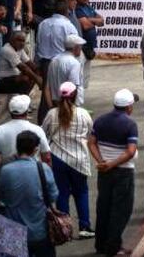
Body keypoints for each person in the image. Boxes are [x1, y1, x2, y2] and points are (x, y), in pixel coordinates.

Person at [41, 81, 94, 239]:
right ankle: (84, 227)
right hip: (79, 160)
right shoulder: (83, 114)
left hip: (58, 159)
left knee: (62, 194)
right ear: (75, 95)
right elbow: (91, 133)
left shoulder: (52, 114)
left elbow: (43, 133)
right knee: (81, 192)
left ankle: (65, 230)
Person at [89, 89, 139, 256]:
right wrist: (112, 164)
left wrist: (101, 161)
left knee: (104, 206)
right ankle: (113, 247)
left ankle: (100, 244)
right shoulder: (130, 124)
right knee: (121, 210)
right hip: (123, 173)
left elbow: (91, 143)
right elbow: (130, 151)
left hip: (104, 172)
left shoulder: (100, 120)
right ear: (129, 107)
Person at [0, 130, 60, 257]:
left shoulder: (5, 171)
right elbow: (53, 196)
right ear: (35, 150)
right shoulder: (43, 169)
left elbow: (0, 195)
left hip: (14, 232)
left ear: (17, 147)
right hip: (40, 232)